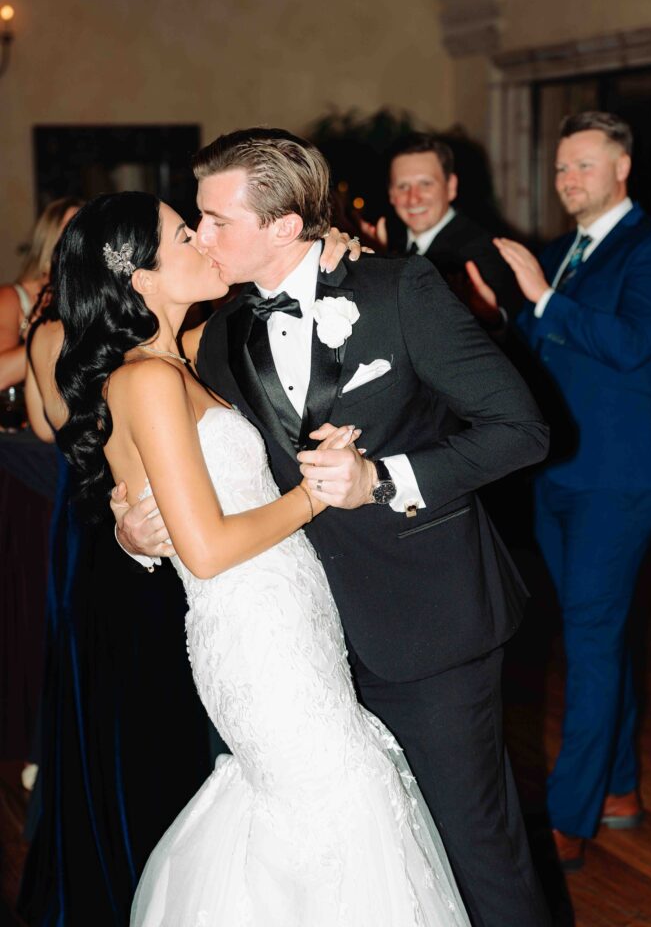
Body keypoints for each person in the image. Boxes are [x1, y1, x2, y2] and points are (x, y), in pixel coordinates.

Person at [118, 128, 552, 927]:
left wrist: (383, 480)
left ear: (284, 225)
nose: (201, 235)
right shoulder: (214, 335)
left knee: (471, 848)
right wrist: (134, 534)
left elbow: (520, 430)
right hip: (292, 645)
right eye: (197, 222)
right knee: (317, 859)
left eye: (216, 220)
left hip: (427, 626)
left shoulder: (400, 290)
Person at [51, 190, 471, 926]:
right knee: (334, 810)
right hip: (256, 638)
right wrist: (318, 493)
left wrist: (328, 249)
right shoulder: (147, 380)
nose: (206, 241)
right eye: (186, 234)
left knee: (314, 818)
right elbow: (206, 551)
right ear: (141, 277)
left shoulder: (185, 357)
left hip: (289, 620)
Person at [466, 110, 651, 871]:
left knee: (589, 645)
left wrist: (540, 295)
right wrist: (503, 319)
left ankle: (567, 817)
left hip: (617, 482)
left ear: (622, 169)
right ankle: (619, 787)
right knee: (600, 634)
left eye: (583, 166)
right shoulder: (559, 253)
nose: (567, 180)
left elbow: (631, 346)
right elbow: (542, 352)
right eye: (560, 167)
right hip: (555, 476)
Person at [18, 258, 215, 927]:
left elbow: (49, 429)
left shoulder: (53, 335)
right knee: (139, 700)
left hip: (90, 514)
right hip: (129, 523)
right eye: (185, 234)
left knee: (93, 671)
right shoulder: (155, 367)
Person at [362, 133, 522, 317]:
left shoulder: (482, 252)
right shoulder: (388, 245)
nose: (413, 198)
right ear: (391, 193)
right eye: (403, 186)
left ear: (451, 186)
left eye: (425, 184)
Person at [0, 197, 81, 390]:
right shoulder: (13, 297)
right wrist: (50, 335)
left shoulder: (85, 301)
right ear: (48, 237)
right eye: (70, 226)